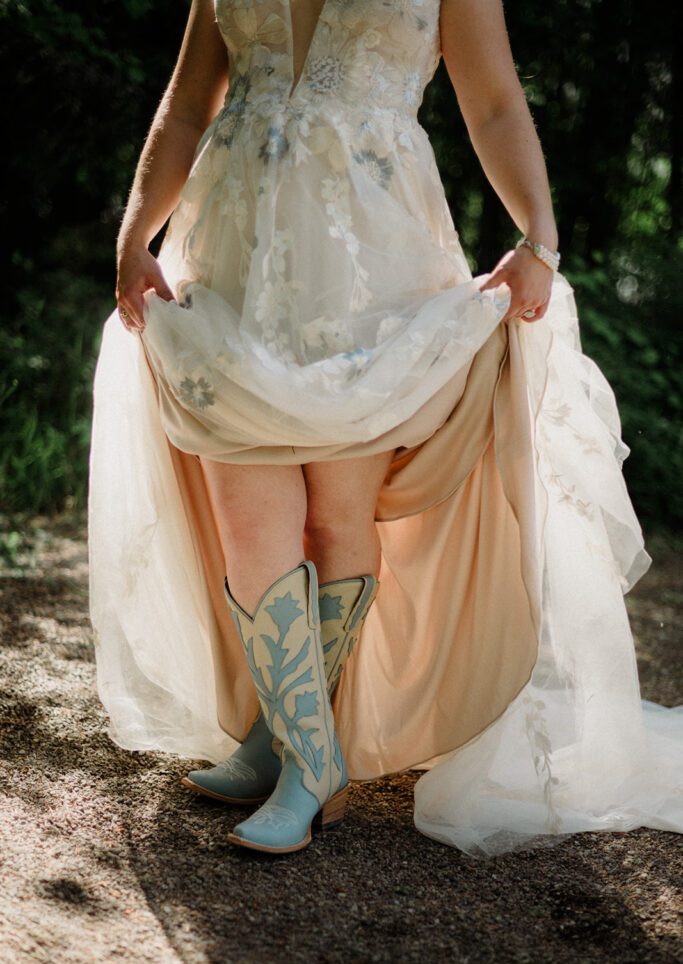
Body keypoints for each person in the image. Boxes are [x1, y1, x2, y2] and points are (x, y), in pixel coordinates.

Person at [89, 0, 683, 857]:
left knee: (336, 515)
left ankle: (293, 752)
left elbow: (493, 104)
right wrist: (135, 229)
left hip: (372, 266)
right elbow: (187, 103)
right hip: (229, 259)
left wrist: (538, 235)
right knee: (248, 519)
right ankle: (304, 748)